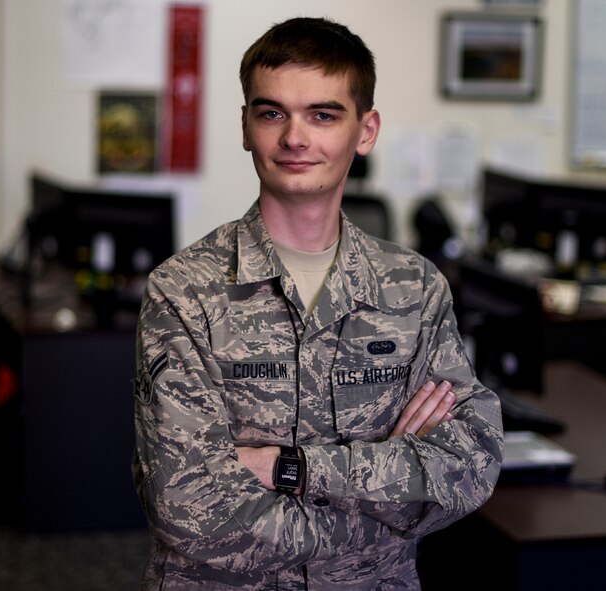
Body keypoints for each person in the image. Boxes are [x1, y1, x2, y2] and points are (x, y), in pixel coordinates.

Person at [131, 16, 503, 590]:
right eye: (272, 112)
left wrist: (290, 466)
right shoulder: (184, 292)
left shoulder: (416, 290)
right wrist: (385, 507)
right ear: (246, 126)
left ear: (366, 130)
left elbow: (469, 464)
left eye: (323, 115)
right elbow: (190, 510)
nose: (295, 138)